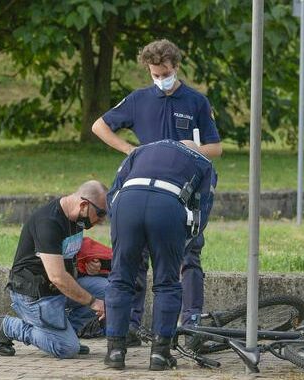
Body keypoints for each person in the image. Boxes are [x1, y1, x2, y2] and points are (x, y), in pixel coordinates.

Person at [91, 39, 222, 343]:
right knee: (135, 256)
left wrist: (195, 148)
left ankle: (191, 322)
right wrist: (129, 150)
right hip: (144, 188)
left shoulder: (196, 102)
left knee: (189, 252)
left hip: (184, 190)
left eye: (165, 73)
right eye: (155, 74)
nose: (161, 79)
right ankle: (132, 324)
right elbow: (100, 126)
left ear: (176, 66)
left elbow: (216, 148)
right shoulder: (138, 100)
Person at [103, 139, 215, 370]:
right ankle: (160, 353)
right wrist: (185, 239)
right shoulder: (203, 162)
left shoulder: (140, 151)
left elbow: (113, 190)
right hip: (167, 206)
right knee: (167, 282)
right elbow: (203, 208)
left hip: (127, 202)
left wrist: (119, 226)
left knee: (120, 278)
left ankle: (115, 351)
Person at [0, 180, 108, 359]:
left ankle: (64, 333)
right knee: (67, 349)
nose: (101, 220)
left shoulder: (77, 219)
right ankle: (6, 326)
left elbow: (68, 256)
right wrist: (93, 302)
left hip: (59, 291)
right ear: (84, 205)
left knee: (110, 290)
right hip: (34, 294)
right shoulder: (48, 222)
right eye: (100, 214)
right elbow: (58, 277)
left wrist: (91, 268)